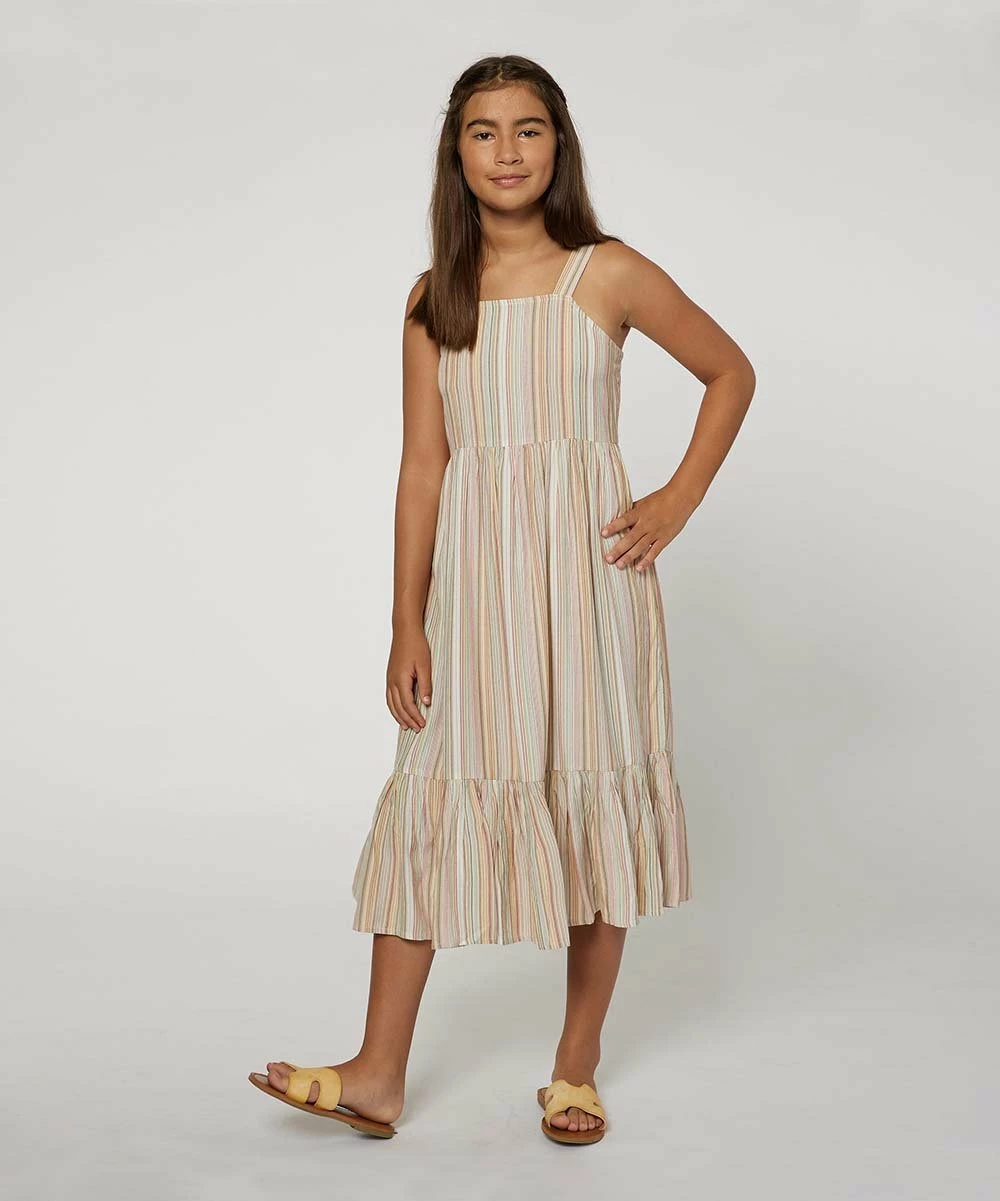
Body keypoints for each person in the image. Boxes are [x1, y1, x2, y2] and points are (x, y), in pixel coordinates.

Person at [249, 53, 755, 1145]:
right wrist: (406, 619)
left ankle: (576, 1065)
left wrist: (675, 498)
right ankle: (378, 1071)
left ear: (558, 145)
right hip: (477, 589)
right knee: (433, 791)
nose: (508, 151)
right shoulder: (434, 296)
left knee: (593, 795)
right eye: (483, 132)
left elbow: (730, 371)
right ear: (456, 153)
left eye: (528, 129)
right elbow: (423, 466)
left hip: (592, 584)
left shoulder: (608, 272)